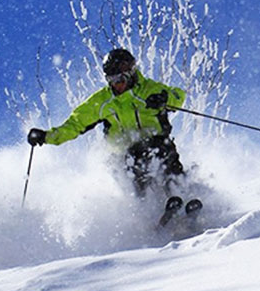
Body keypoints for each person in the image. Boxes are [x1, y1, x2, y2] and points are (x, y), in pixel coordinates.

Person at [27, 48, 188, 199]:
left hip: (157, 144)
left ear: (131, 73)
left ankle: (181, 195)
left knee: (160, 150)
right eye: (111, 80)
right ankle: (147, 212)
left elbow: (178, 95)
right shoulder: (103, 102)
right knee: (133, 160)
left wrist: (164, 98)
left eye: (120, 79)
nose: (116, 85)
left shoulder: (149, 89)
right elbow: (75, 123)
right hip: (124, 155)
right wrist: (47, 136)